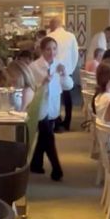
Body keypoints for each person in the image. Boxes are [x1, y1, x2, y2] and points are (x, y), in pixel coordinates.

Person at [29, 37, 73, 180]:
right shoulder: (34, 67)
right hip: (40, 106)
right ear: (42, 50)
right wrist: (43, 83)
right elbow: (30, 87)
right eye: (48, 49)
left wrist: (64, 74)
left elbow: (68, 86)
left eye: (54, 49)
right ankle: (57, 169)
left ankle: (36, 163)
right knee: (48, 136)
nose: (51, 52)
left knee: (44, 136)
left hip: (53, 106)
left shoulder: (59, 64)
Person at [49, 15, 79, 131]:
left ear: (53, 24)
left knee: (54, 97)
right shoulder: (71, 36)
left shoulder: (50, 36)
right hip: (67, 70)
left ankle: (56, 121)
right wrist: (70, 69)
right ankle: (67, 122)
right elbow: (75, 55)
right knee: (67, 97)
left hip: (53, 71)